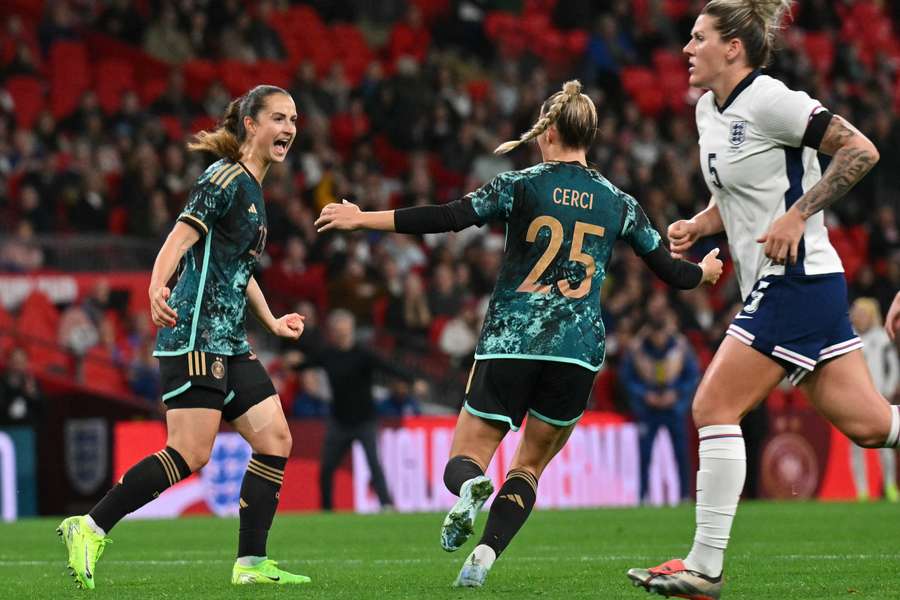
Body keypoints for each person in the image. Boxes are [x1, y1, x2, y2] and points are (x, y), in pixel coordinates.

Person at [315, 79, 723, 588]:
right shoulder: (619, 202)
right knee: (528, 468)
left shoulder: (522, 184)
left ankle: (470, 487)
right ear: (589, 137)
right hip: (577, 353)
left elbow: (447, 218)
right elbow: (670, 271)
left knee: (464, 458)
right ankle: (486, 552)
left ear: (548, 132)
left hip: (512, 342)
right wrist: (703, 273)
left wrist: (361, 219)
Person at [626, 3, 894, 599]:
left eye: (698, 39)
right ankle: (702, 568)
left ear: (733, 49)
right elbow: (744, 192)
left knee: (713, 406)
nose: (686, 49)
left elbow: (861, 150)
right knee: (874, 427)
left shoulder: (772, 99)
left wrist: (799, 215)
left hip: (797, 277)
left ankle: (704, 568)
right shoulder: (706, 111)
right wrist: (701, 223)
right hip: (801, 286)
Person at [57, 85, 312, 589]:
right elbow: (179, 235)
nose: (289, 129)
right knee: (191, 453)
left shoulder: (253, 189)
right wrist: (156, 285)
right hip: (194, 334)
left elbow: (240, 268)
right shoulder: (223, 178)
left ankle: (251, 564)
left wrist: (272, 321)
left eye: (294, 119)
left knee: (275, 438)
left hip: (230, 341)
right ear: (251, 125)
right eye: (279, 119)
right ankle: (88, 527)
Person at [295, 309, 426, 511]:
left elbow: (388, 366)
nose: (341, 334)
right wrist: (292, 364)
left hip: (365, 420)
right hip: (339, 421)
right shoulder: (328, 355)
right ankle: (326, 510)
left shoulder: (364, 353)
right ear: (332, 332)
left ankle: (387, 505)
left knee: (374, 465)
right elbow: (306, 364)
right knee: (327, 469)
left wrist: (412, 380)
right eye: (337, 331)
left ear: (351, 330)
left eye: (344, 331)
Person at [620, 300, 699, 503]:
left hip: (674, 408)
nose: (659, 338)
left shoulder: (680, 346)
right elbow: (627, 378)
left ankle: (684, 495)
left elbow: (692, 376)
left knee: (681, 453)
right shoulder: (638, 348)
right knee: (645, 454)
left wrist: (677, 393)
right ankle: (643, 496)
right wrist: (644, 394)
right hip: (648, 408)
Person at [848, 298, 899, 501]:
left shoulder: (882, 338)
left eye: (863, 313)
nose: (859, 317)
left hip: (879, 396)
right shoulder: (848, 338)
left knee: (886, 445)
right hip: (855, 398)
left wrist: (887, 390)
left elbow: (893, 367)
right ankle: (861, 491)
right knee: (856, 446)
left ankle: (890, 487)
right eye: (856, 313)